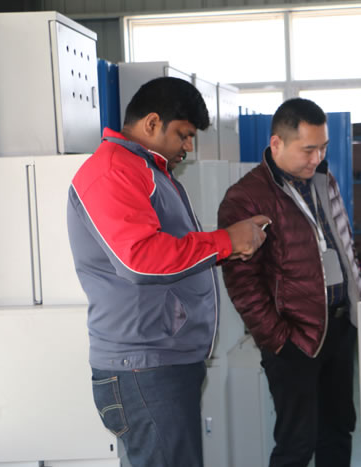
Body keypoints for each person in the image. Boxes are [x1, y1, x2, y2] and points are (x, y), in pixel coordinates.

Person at [67, 76, 270, 467]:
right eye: (183, 135)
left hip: (159, 361)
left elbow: (167, 253)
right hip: (144, 367)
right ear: (151, 123)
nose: (188, 147)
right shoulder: (114, 171)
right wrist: (225, 241)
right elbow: (139, 258)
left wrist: (231, 247)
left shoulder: (146, 171)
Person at [218, 97, 361, 467]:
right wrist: (278, 340)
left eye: (323, 148)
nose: (317, 158)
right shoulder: (246, 197)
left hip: (339, 328)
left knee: (338, 430)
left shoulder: (324, 181)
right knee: (297, 443)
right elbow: (242, 283)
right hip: (294, 338)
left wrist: (358, 310)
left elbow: (343, 245)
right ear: (277, 143)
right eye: (308, 149)